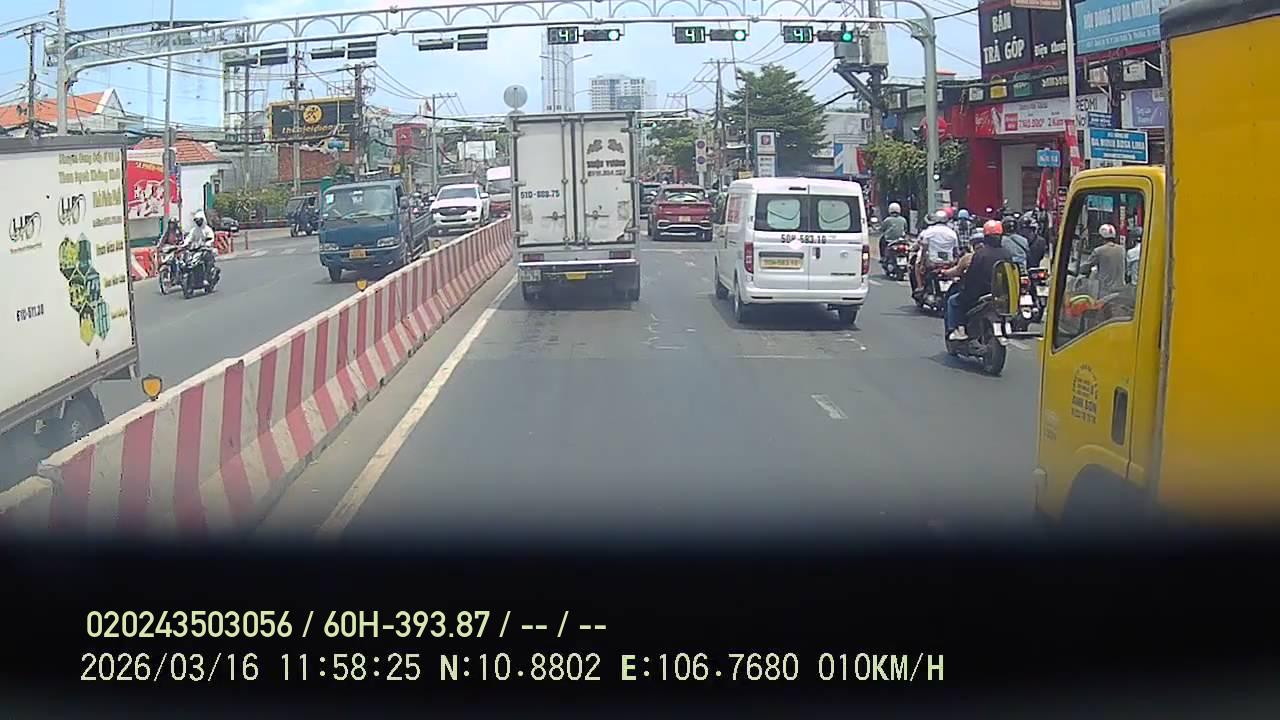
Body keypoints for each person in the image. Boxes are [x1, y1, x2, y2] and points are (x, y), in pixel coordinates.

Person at [941, 220, 1013, 341]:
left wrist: (964, 289)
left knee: (953, 301)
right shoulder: (1007, 254)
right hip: (1000, 294)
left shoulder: (980, 255)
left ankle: (959, 330)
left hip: (979, 294)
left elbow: (972, 277)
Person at [913, 209, 960, 297]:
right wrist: (956, 262)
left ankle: (920, 287)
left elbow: (924, 249)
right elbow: (956, 251)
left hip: (933, 262)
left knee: (917, 266)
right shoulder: (952, 233)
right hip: (948, 262)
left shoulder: (929, 231)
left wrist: (922, 264)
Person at [1080, 223, 1127, 297]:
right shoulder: (1122, 249)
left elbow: (1086, 267)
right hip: (1121, 290)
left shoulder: (1099, 251)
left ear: (1101, 237)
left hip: (1106, 291)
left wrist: (1079, 270)